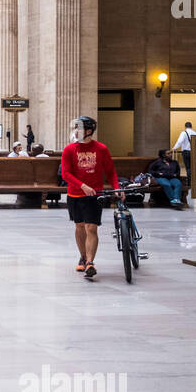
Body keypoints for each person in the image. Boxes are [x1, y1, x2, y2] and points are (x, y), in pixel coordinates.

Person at [60, 115, 118, 280]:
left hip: (94, 195)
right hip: (75, 194)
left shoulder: (101, 148)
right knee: (79, 227)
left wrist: (116, 188)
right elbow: (65, 174)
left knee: (91, 228)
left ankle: (90, 263)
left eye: (78, 128)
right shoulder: (69, 149)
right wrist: (82, 186)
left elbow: (110, 172)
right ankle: (83, 257)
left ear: (89, 131)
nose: (75, 131)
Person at [172, 121, 195, 188]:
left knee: (188, 168)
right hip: (194, 152)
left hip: (186, 152)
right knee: (193, 168)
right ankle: (194, 182)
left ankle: (189, 183)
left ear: (185, 127)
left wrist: (174, 148)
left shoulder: (184, 133)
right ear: (191, 126)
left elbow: (180, 141)